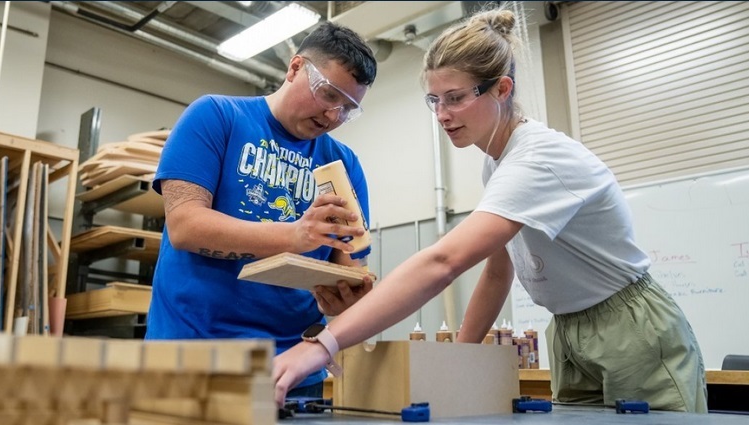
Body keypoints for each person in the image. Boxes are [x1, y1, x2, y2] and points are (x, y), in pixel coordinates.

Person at [272, 8, 708, 413]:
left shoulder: (537, 158)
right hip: (569, 330)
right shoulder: (496, 164)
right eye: (434, 100)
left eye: (456, 98)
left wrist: (322, 344)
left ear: (502, 88)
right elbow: (498, 273)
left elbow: (444, 261)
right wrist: (455, 362)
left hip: (630, 326)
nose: (442, 115)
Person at [146, 22, 379, 398]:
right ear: (295, 68)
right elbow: (185, 225)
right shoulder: (215, 116)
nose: (333, 115)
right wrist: (295, 235)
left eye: (347, 108)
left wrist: (349, 296)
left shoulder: (344, 164)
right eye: (328, 94)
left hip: (293, 370)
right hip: (192, 357)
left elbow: (350, 264)